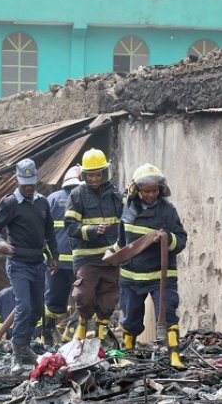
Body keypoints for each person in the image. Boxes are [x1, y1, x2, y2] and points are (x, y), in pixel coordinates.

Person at [0, 158, 59, 375]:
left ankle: (24, 344)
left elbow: (50, 233)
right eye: (24, 183)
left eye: (31, 183)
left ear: (36, 180)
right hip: (18, 264)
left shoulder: (42, 203)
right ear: (17, 180)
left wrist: (55, 256)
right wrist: (0, 243)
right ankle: (16, 355)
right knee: (24, 306)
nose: (28, 187)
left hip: (38, 263)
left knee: (37, 309)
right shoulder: (10, 203)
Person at [112, 164, 188, 369]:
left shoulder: (168, 211)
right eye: (147, 191)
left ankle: (174, 355)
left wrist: (166, 238)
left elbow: (181, 240)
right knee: (130, 318)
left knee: (169, 314)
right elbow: (122, 241)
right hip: (131, 275)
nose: (151, 195)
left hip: (161, 275)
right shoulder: (127, 209)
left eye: (154, 190)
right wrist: (111, 255)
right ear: (136, 191)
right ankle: (126, 354)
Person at [64, 148, 123, 342]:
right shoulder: (77, 195)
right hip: (86, 258)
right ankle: (81, 327)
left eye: (98, 173)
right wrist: (91, 231)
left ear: (104, 172)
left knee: (108, 301)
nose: (95, 178)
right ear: (85, 175)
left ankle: (100, 340)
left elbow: (125, 221)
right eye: (91, 174)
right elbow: (70, 226)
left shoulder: (115, 195)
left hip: (110, 258)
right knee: (84, 296)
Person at [38, 165, 84, 346]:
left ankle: (45, 339)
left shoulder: (52, 199)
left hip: (54, 264)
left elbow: (41, 232)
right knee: (85, 301)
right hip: (79, 263)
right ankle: (68, 338)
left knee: (52, 303)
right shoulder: (85, 200)